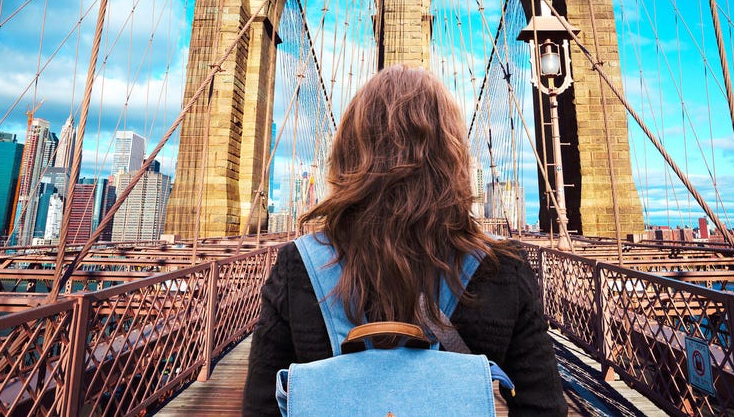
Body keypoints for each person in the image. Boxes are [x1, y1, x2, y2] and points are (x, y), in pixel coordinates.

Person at [241, 65, 566, 416]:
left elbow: (261, 407)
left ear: (349, 154)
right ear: (453, 156)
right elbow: (544, 407)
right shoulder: (503, 267)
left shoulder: (300, 265)